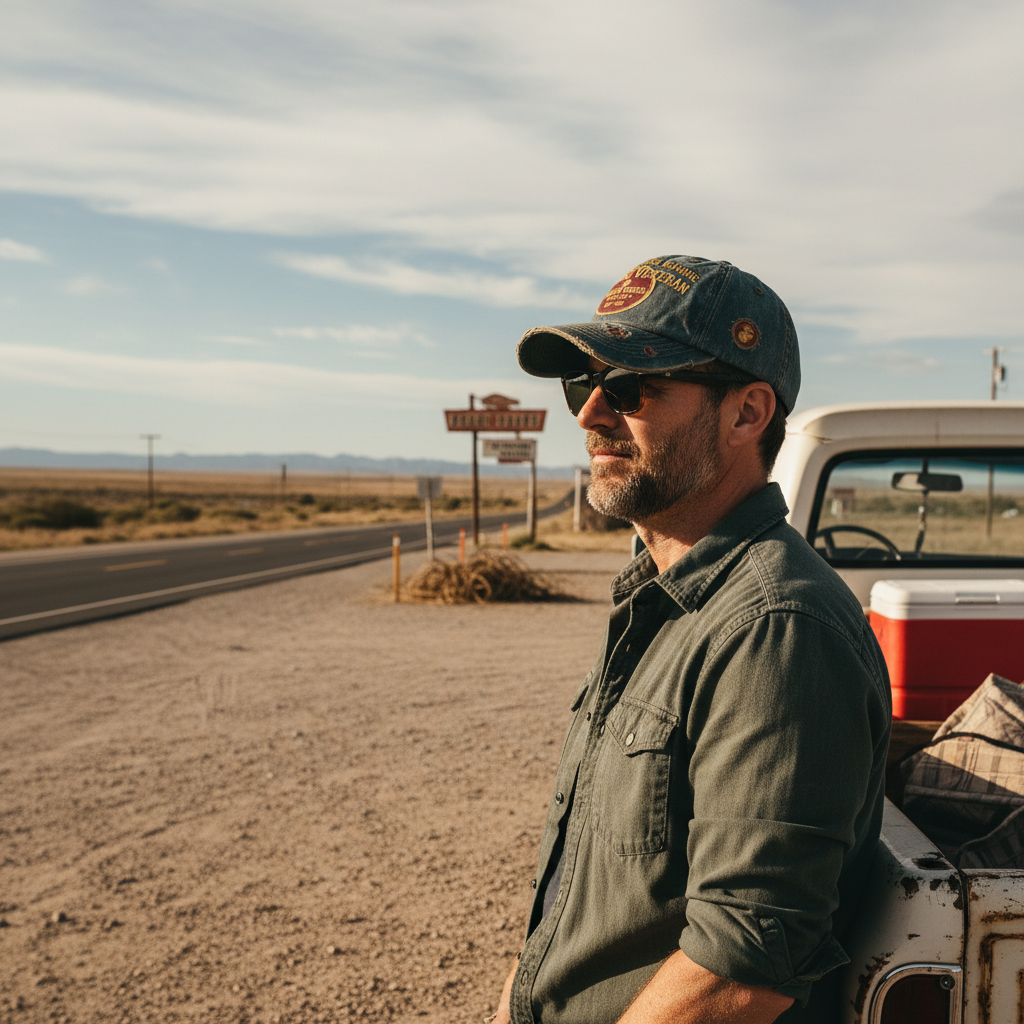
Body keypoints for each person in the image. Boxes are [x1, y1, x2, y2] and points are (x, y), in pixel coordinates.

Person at [490, 256, 891, 1024]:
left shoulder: (775, 630)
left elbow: (741, 971)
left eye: (631, 387)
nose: (589, 415)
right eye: (585, 384)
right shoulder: (666, 601)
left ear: (746, 414)